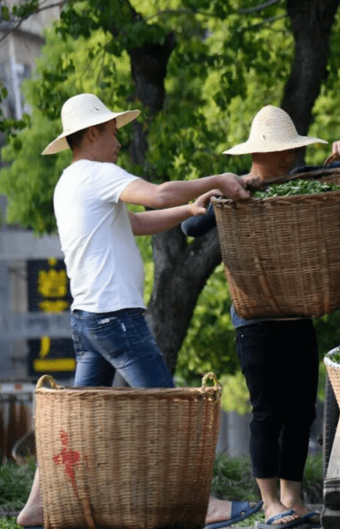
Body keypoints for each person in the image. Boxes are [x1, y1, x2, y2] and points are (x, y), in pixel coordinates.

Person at [16, 93, 261, 529]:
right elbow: (157, 193)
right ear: (92, 134)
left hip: (87, 322)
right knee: (166, 408)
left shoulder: (69, 183)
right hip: (117, 319)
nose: (118, 142)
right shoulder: (98, 174)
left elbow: (133, 222)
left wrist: (186, 210)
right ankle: (203, 504)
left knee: (74, 419)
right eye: (112, 133)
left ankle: (37, 504)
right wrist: (221, 179)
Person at [181, 105, 340, 529]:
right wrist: (209, 197)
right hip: (254, 318)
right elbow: (190, 230)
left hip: (296, 313)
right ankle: (269, 502)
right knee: (268, 411)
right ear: (262, 152)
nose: (289, 156)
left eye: (292, 149)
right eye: (282, 150)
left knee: (302, 410)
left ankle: (293, 498)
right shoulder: (236, 191)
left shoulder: (301, 182)